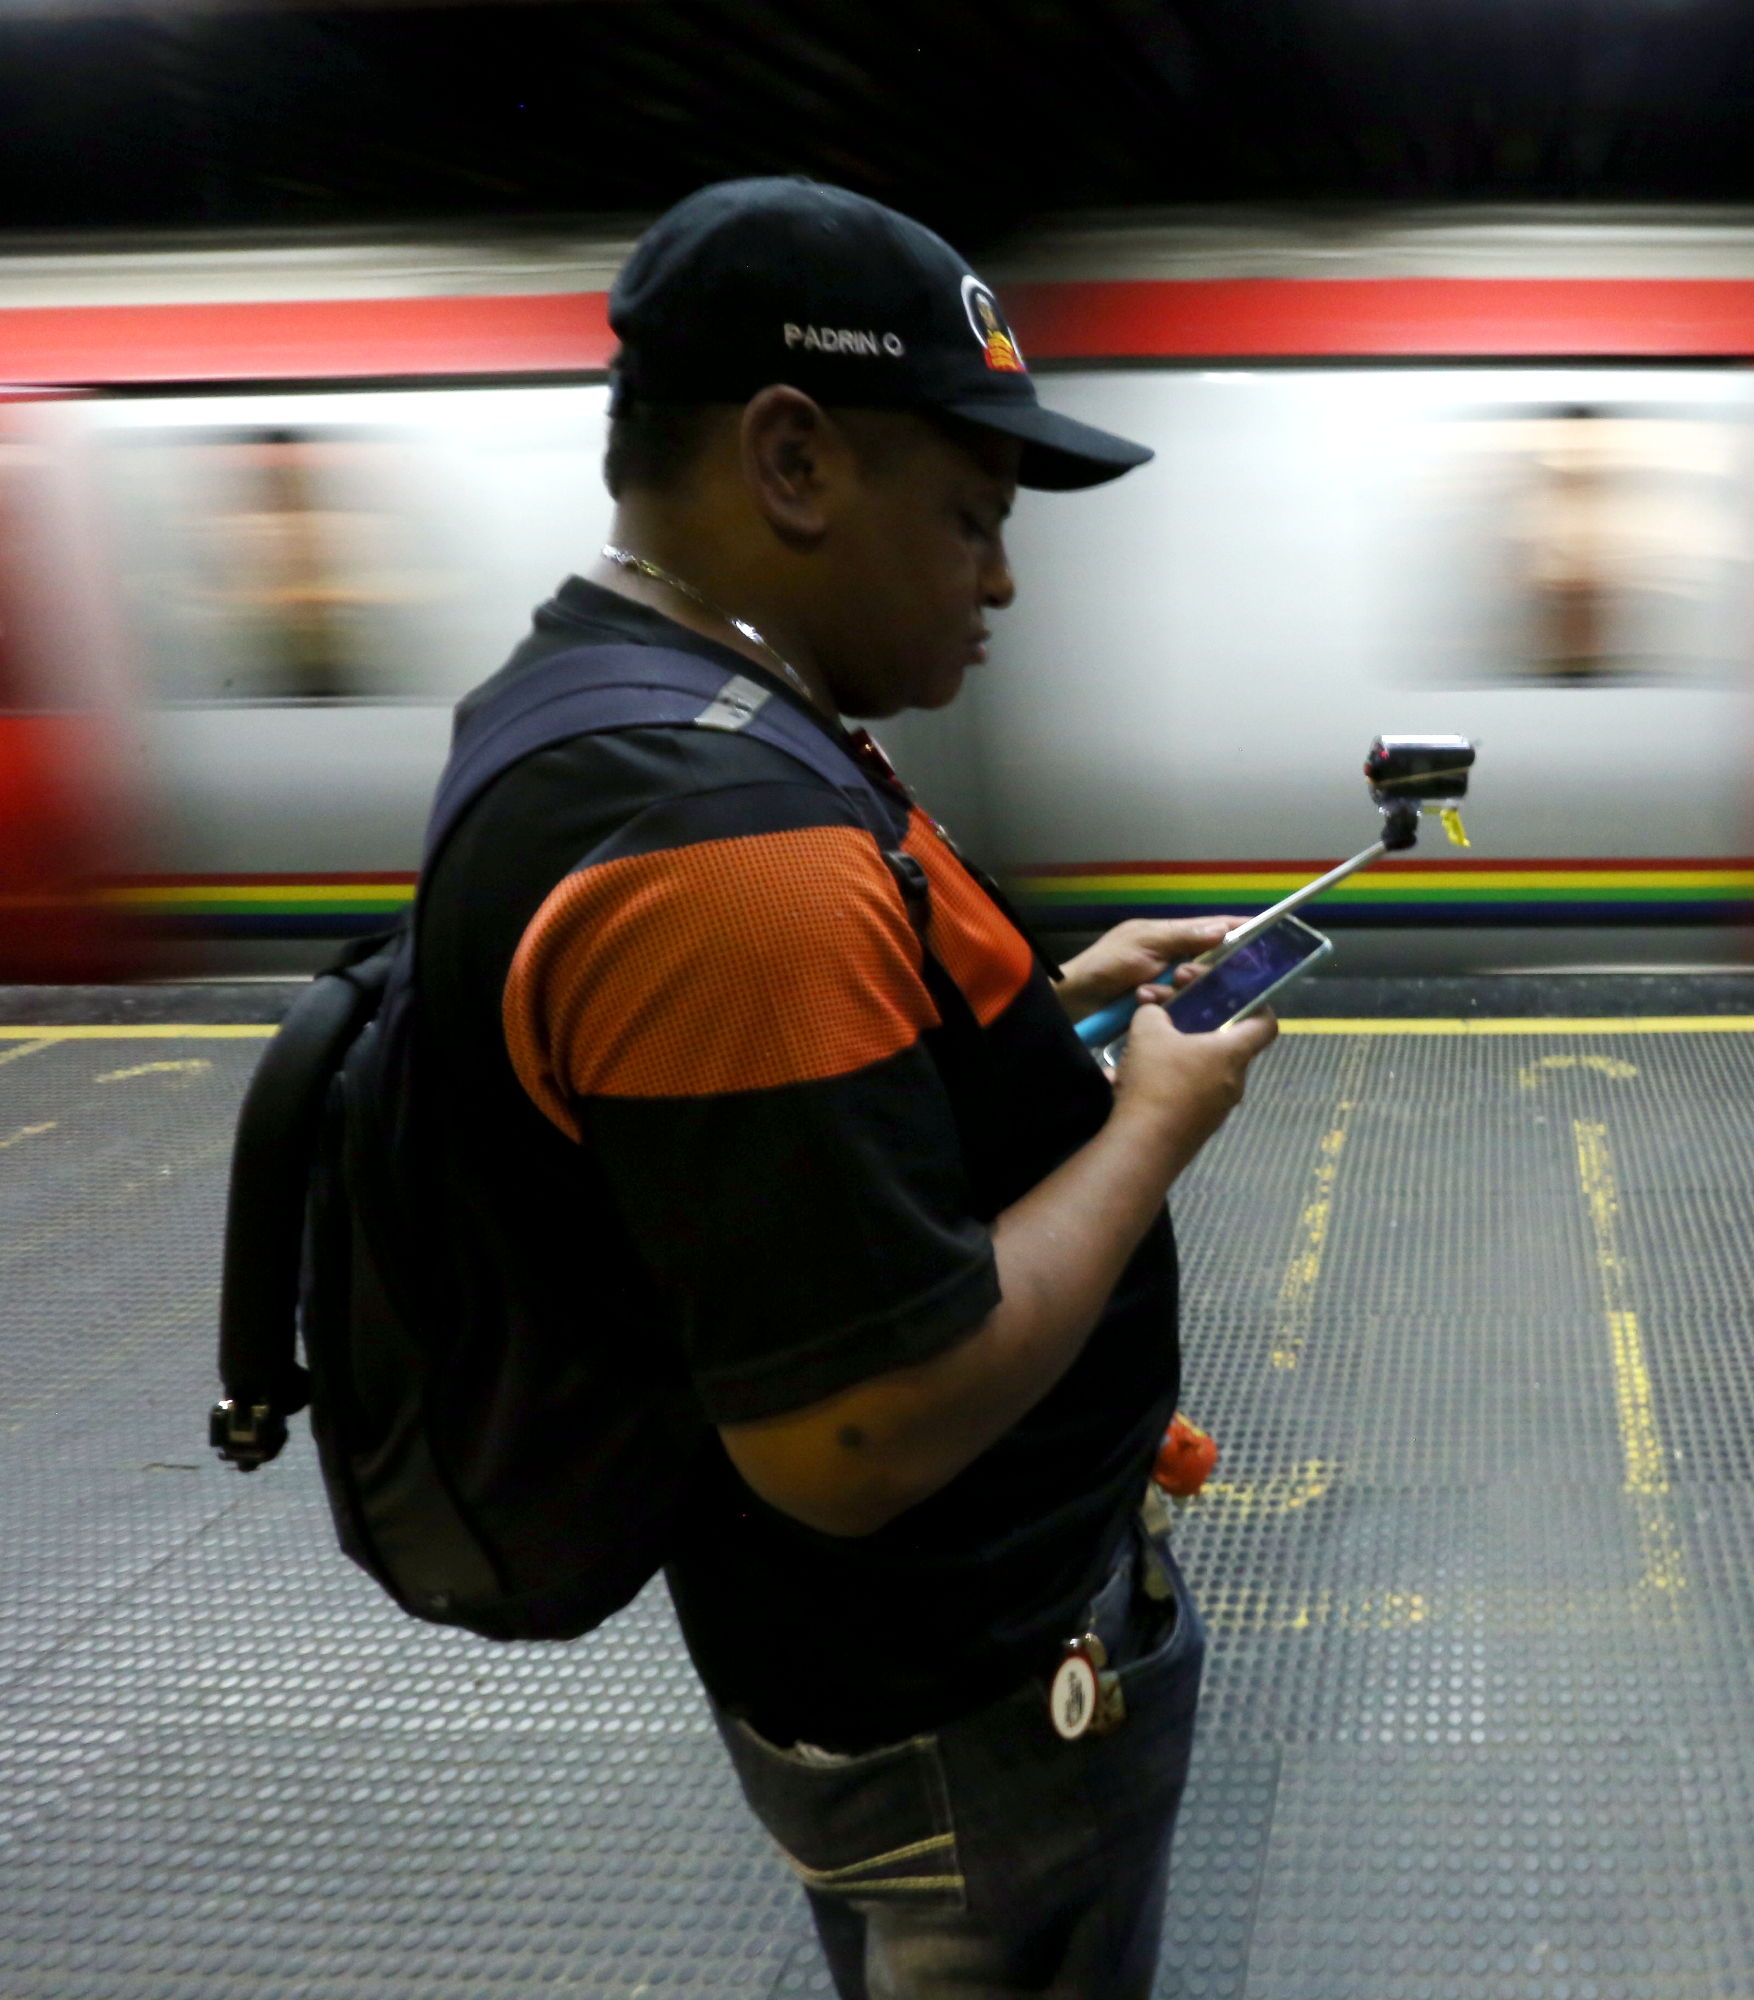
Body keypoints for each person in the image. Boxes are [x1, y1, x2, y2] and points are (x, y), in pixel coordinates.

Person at [407, 177, 1275, 1997]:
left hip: (854, 1667)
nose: (1004, 577)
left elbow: (781, 1128)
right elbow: (857, 1434)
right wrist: (1153, 1124)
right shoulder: (721, 837)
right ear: (793, 461)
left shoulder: (619, 709)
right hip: (960, 1697)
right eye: (971, 514)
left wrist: (1045, 1011)